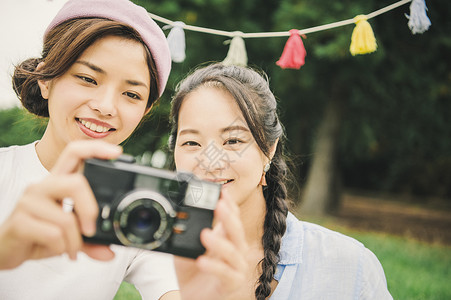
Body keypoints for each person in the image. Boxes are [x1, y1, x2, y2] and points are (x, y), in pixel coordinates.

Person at [0, 1, 247, 299]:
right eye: (87, 79)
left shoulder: (145, 209)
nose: (105, 106)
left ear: (145, 110)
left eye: (131, 94)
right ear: (46, 79)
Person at [168, 63, 393, 299]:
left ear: (269, 149)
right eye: (192, 143)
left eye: (233, 141)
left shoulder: (347, 265)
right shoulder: (157, 263)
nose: (210, 162)